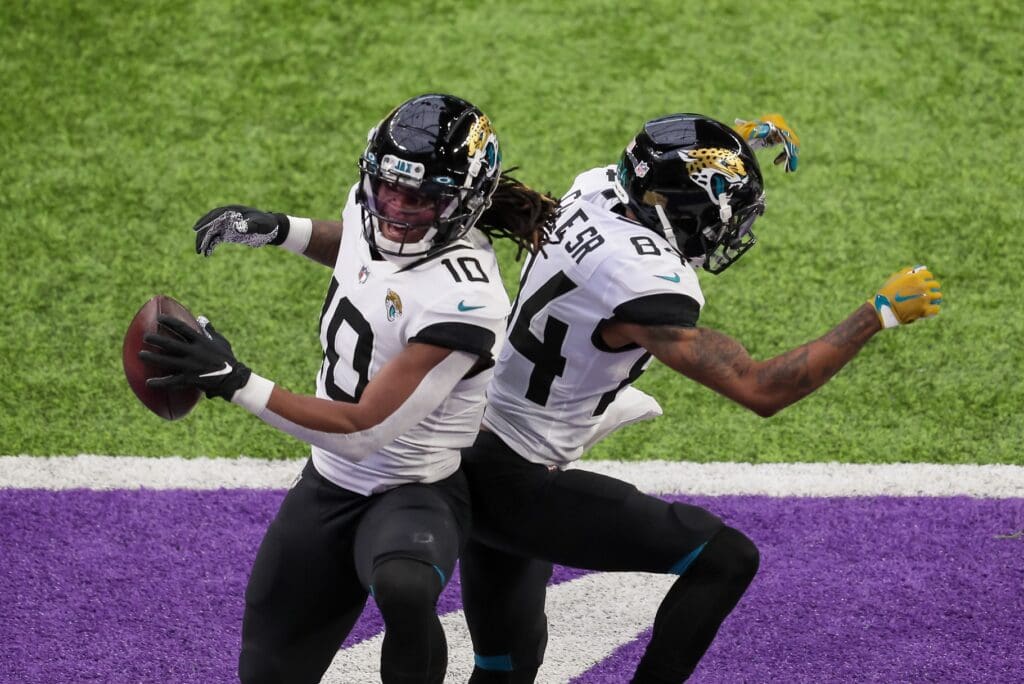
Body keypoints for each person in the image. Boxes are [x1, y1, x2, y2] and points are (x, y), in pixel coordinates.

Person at [459, 113, 943, 683]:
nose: (725, 229)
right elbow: (762, 388)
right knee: (726, 558)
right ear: (670, 208)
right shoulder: (644, 280)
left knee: (505, 667)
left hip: (472, 440)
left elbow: (660, 161)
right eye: (719, 215)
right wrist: (874, 315)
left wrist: (736, 146)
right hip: (514, 477)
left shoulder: (596, 186)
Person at [139, 93, 557, 684]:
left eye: (420, 197)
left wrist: (234, 381)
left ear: (461, 202)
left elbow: (363, 431)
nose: (396, 208)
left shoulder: (468, 297)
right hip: (328, 486)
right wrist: (281, 230)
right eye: (387, 187)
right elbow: (360, 252)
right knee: (266, 672)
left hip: (414, 489)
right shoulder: (377, 216)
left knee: (405, 585)